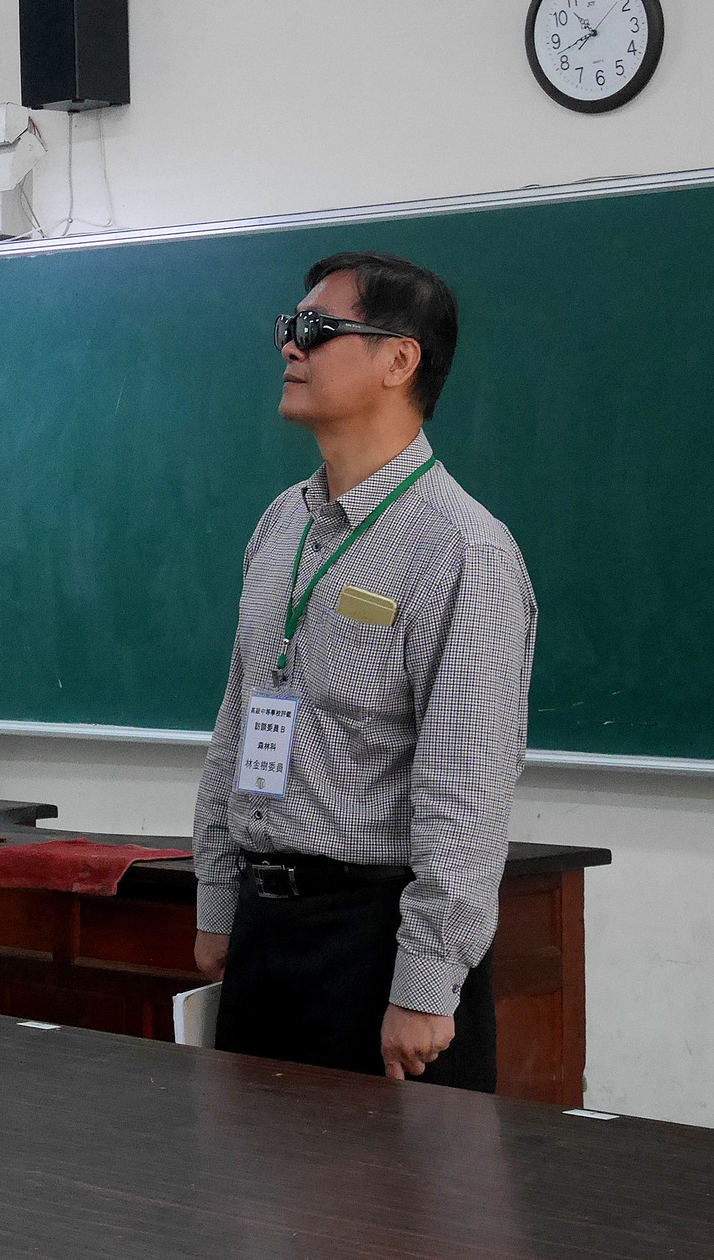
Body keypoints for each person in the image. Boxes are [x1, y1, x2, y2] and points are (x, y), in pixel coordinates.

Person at [191, 252, 536, 1091]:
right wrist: (219, 898)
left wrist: (426, 983)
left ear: (399, 359)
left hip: (377, 941)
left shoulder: (464, 549)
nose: (291, 345)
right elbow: (238, 721)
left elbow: (465, 790)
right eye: (289, 326)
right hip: (265, 933)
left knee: (385, 1183)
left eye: (316, 328)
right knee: (245, 1175)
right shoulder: (282, 523)